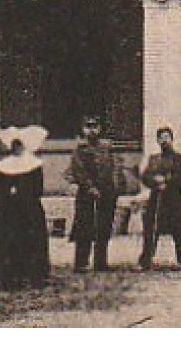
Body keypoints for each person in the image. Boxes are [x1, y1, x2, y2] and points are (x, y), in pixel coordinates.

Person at [0, 128, 51, 287]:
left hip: (28, 209)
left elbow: (37, 189)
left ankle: (31, 274)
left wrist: (21, 193)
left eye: (19, 144)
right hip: (6, 209)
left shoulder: (33, 165)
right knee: (6, 239)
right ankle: (3, 274)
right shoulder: (3, 166)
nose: (16, 147)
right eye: (14, 144)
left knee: (28, 239)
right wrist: (7, 193)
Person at [66, 115, 120, 272]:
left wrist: (114, 187)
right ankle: (81, 262)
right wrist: (90, 187)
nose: (92, 130)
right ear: (83, 129)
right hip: (86, 193)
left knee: (104, 227)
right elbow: (79, 170)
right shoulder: (79, 149)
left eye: (95, 127)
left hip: (106, 192)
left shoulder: (107, 148)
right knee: (84, 226)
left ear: (100, 129)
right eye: (88, 127)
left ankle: (100, 262)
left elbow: (114, 166)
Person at [139, 126, 181, 271]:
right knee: (151, 229)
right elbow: (145, 177)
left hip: (174, 199)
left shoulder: (180, 158)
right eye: (161, 138)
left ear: (172, 139)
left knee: (179, 229)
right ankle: (145, 260)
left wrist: (166, 180)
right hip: (156, 199)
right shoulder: (154, 159)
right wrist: (154, 181)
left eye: (167, 137)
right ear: (157, 141)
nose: (164, 140)